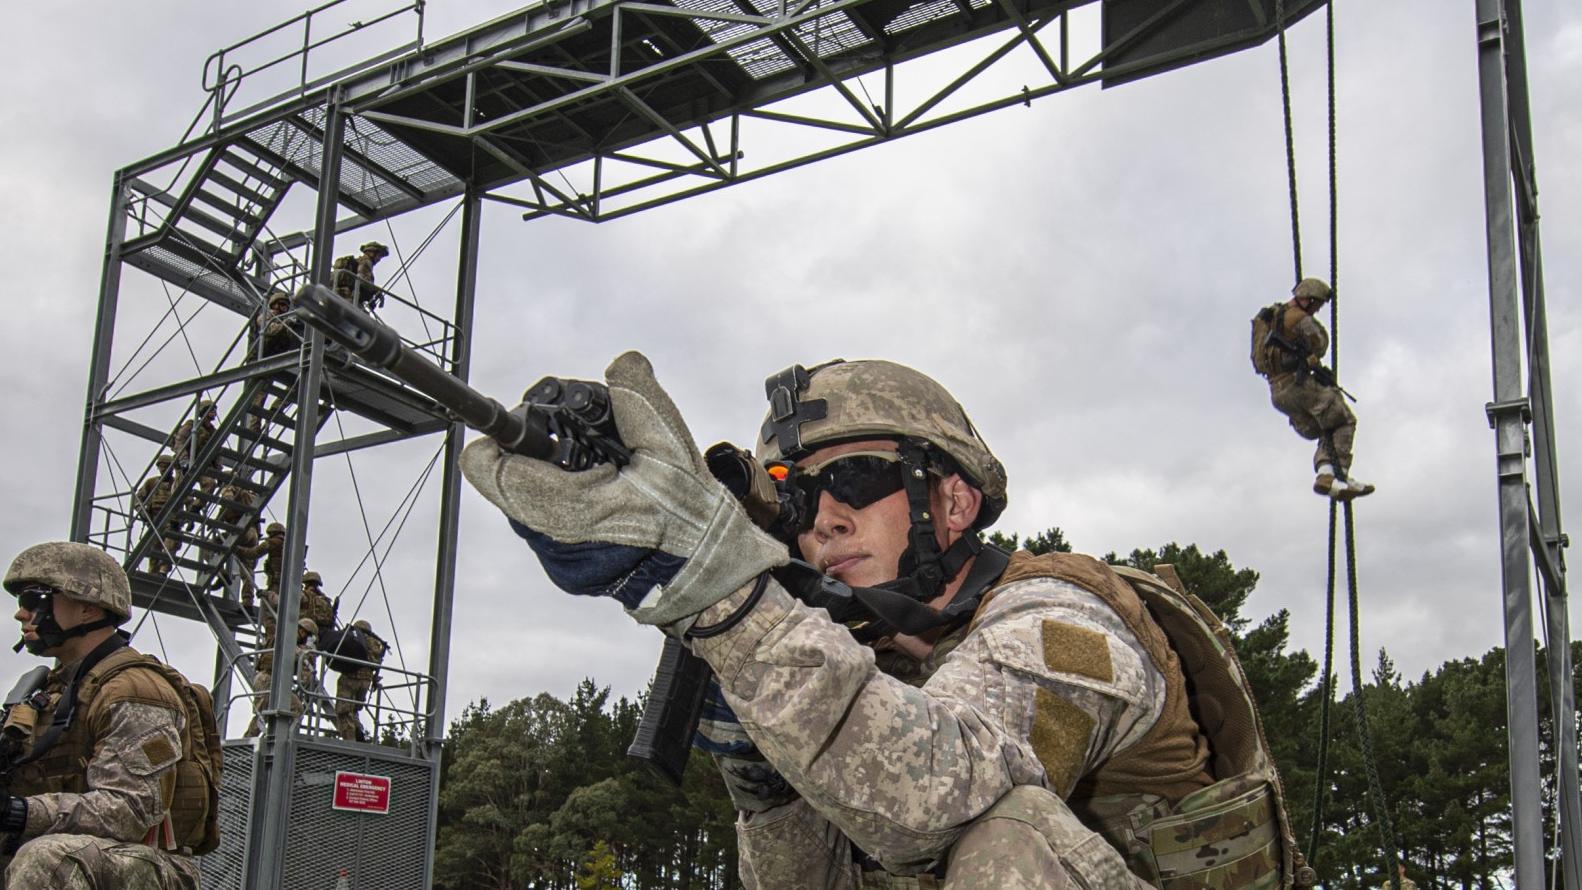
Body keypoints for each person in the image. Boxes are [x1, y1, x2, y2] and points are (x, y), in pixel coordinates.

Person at [460, 352, 1310, 888]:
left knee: (1005, 835)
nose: (822, 519)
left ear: (953, 501)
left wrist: (730, 604)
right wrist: (761, 774)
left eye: (857, 481)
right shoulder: (865, 667)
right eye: (795, 496)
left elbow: (938, 792)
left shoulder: (1064, 622)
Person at [1, 542, 216, 888]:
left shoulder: (135, 691)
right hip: (80, 852)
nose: (21, 614)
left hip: (144, 864)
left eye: (33, 600)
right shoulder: (50, 691)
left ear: (88, 609)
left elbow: (128, 811)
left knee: (49, 859)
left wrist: (18, 812)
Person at [1252, 278, 1373, 500]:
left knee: (1325, 427)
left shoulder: (1271, 317)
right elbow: (1321, 343)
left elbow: (1259, 361)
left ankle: (1328, 475)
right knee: (1344, 419)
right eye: (1316, 305)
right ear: (1308, 300)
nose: (1317, 310)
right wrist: (1310, 356)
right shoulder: (1300, 319)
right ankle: (1336, 476)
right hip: (1297, 386)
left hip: (1277, 393)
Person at [245, 617, 318, 738]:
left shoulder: (292, 640)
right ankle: (249, 740)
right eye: (304, 633)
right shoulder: (286, 636)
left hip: (276, 681)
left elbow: (304, 670)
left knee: (296, 708)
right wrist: (307, 650)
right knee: (263, 716)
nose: (304, 637)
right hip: (266, 678)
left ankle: (282, 738)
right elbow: (294, 653)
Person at [331, 620, 386, 743]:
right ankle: (359, 733)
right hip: (366, 681)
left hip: (351, 678)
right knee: (354, 711)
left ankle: (350, 741)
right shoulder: (376, 643)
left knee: (344, 712)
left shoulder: (355, 638)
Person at [332, 242, 389, 311]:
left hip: (340, 294)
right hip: (348, 298)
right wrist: (376, 291)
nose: (379, 259)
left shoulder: (359, 261)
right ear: (371, 253)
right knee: (366, 320)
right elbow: (362, 281)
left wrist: (370, 298)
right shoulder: (366, 262)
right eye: (379, 256)